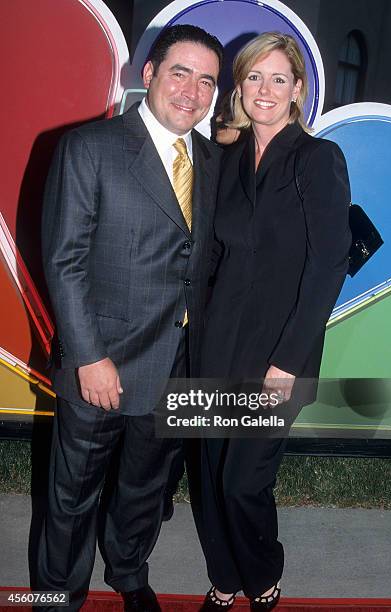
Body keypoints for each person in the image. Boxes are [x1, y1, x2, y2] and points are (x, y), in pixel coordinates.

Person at [37, 24, 223, 612]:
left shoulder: (214, 160)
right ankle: (55, 596)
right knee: (72, 495)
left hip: (179, 365)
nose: (192, 91)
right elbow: (64, 262)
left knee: (145, 486)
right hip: (103, 362)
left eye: (207, 81)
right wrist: (88, 356)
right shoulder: (89, 147)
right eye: (180, 72)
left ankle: (127, 570)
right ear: (148, 75)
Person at [194, 32, 352, 610]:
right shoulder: (224, 160)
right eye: (255, 77)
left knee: (243, 482)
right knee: (211, 477)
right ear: (240, 86)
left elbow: (329, 264)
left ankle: (262, 578)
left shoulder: (317, 159)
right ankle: (224, 578)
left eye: (278, 79)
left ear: (297, 92)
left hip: (279, 352)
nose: (265, 89)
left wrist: (288, 359)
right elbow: (211, 255)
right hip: (216, 345)